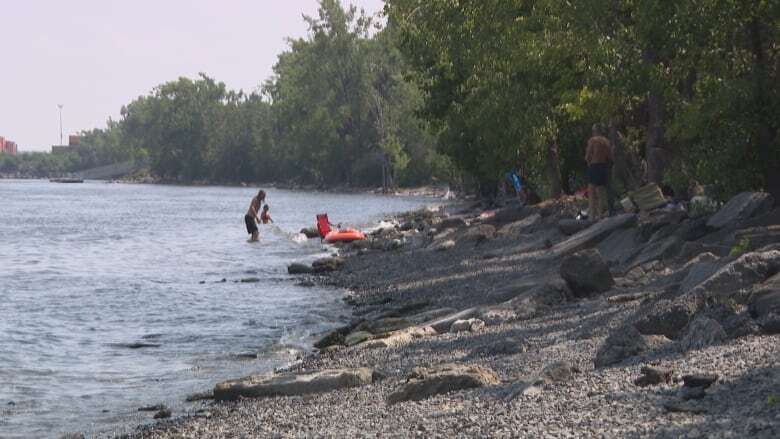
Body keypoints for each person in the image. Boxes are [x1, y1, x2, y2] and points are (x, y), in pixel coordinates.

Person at [585, 124, 613, 221]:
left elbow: (587, 156)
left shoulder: (592, 140)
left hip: (595, 166)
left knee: (592, 193)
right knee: (601, 193)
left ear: (594, 131)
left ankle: (592, 217)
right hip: (604, 167)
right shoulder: (606, 141)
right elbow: (610, 157)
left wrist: (589, 164)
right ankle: (601, 216)